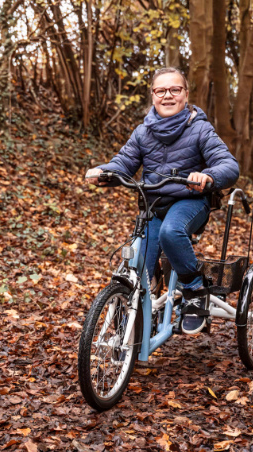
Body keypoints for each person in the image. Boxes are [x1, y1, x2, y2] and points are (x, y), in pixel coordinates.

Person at [86, 67, 239, 335]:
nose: (167, 95)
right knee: (138, 265)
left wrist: (207, 176)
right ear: (153, 96)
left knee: (171, 232)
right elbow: (124, 162)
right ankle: (132, 332)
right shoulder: (143, 132)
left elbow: (228, 165)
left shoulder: (200, 129)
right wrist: (104, 172)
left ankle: (194, 290)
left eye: (175, 89)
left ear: (185, 94)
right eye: (161, 90)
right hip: (154, 206)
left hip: (190, 201)